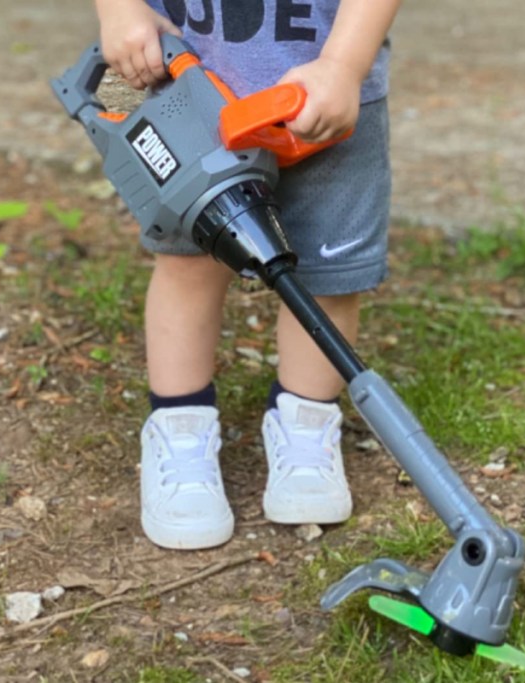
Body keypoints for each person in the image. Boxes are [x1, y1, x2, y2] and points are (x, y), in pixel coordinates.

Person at [94, 0, 401, 549]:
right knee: (188, 266)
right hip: (188, 95)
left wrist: (345, 66)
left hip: (323, 106)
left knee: (328, 276)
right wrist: (119, 11)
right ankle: (179, 429)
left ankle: (306, 427)